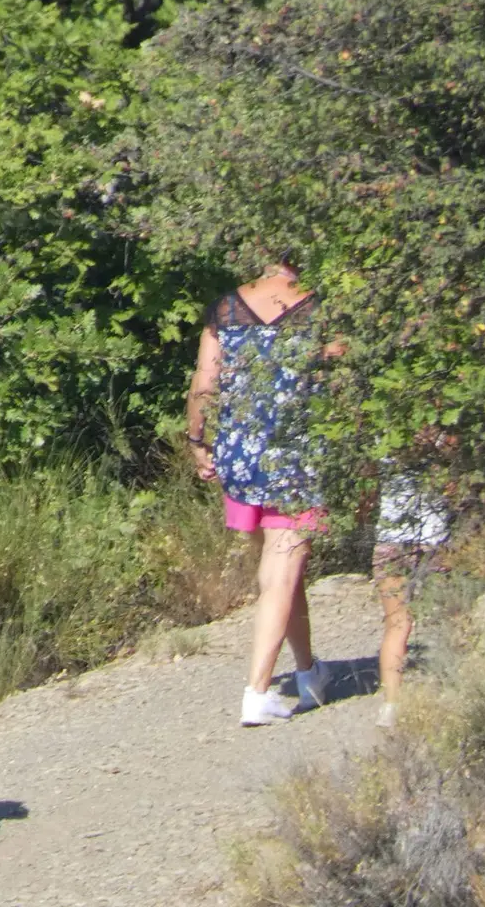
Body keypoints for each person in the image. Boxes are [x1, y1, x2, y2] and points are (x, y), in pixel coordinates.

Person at [185, 258, 341, 726]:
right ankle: (257, 692)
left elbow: (204, 382)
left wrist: (197, 441)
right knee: (281, 569)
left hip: (241, 452)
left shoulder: (227, 308)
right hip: (298, 453)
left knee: (280, 570)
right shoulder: (318, 305)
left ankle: (309, 671)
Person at [372, 471, 450, 729]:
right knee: (447, 618)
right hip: (434, 539)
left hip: (389, 540)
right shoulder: (441, 436)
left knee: (396, 626)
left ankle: (391, 705)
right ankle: (445, 693)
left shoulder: (381, 438)